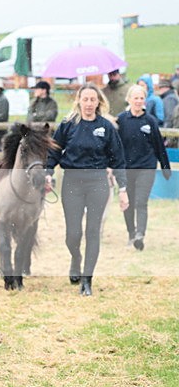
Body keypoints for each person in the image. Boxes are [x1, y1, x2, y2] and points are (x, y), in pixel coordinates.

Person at [46, 83, 128, 296]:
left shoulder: (106, 127)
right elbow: (54, 151)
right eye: (85, 99)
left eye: (93, 100)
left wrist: (123, 188)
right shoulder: (68, 124)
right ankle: (76, 258)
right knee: (72, 234)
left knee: (93, 232)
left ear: (98, 102)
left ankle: (87, 279)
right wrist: (48, 172)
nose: (89, 104)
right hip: (72, 181)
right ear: (79, 101)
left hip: (97, 183)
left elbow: (118, 158)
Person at [116, 85, 172, 251]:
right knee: (128, 203)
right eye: (136, 98)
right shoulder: (122, 120)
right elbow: (114, 145)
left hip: (146, 167)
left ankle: (140, 235)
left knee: (141, 202)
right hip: (127, 168)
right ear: (129, 99)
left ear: (145, 101)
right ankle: (131, 233)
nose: (139, 101)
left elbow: (159, 146)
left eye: (141, 98)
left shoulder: (150, 121)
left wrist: (165, 167)